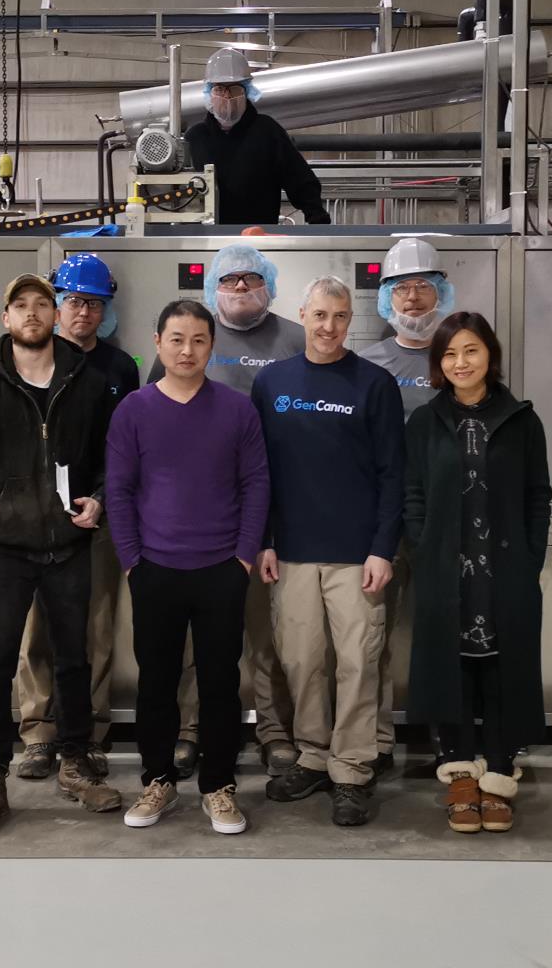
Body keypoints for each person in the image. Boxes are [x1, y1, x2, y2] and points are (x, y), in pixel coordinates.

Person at [0, 272, 121, 837]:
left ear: (56, 316)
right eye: (21, 305)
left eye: (42, 304)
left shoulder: (89, 385)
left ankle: (76, 763)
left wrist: (101, 499)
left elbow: (114, 458)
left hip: (69, 547)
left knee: (74, 661)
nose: (32, 312)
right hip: (4, 552)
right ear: (5, 317)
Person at [106, 300, 270, 834]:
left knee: (220, 682)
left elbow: (256, 484)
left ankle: (219, 786)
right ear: (158, 343)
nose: (187, 350)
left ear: (211, 347)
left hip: (222, 568)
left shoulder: (237, 410)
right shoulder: (133, 410)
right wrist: (132, 562)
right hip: (154, 568)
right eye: (176, 339)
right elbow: (119, 490)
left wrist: (243, 557)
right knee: (156, 682)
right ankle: (157, 781)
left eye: (199, 340)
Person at [251, 275, 405, 827]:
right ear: (303, 315)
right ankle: (314, 756)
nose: (329, 327)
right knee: (302, 661)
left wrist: (383, 548)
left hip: (357, 555)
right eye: (320, 315)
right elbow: (258, 471)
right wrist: (264, 541)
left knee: (358, 663)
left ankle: (352, 768)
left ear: (349, 321)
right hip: (291, 551)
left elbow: (393, 474)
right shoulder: (272, 383)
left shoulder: (374, 384)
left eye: (340, 317)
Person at [147, 243, 304, 778]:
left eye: (250, 278)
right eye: (229, 278)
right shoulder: (188, 340)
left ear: (268, 284)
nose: (240, 287)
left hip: (273, 510)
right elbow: (155, 424)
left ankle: (274, 730)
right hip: (202, 520)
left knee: (264, 631)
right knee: (203, 638)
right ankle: (192, 729)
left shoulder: (294, 340)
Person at [403, 312, 552, 834]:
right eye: (448, 354)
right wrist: (424, 547)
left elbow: (538, 496)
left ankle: (499, 775)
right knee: (452, 667)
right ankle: (461, 775)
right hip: (446, 568)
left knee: (503, 667)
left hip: (505, 569)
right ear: (437, 364)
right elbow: (413, 493)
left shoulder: (521, 421)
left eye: (470, 350)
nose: (460, 362)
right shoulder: (425, 422)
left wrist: (531, 558)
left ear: (490, 354)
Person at [15, 253, 140, 781]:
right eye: (74, 301)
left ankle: (87, 734)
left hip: (101, 515)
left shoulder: (120, 368)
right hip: (37, 520)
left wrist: (103, 498)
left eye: (95, 303)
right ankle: (38, 733)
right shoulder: (29, 358)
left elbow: (127, 446)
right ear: (57, 305)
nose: (84, 312)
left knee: (96, 626)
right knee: (39, 626)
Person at [356, 237, 457, 779]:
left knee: (444, 629)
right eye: (401, 288)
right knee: (373, 635)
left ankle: (448, 735)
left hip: (446, 520)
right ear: (386, 298)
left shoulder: (458, 359)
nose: (412, 298)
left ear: (441, 292)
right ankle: (375, 739)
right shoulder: (368, 365)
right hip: (384, 523)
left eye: (422, 286)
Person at [184, 46, 331, 227]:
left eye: (235, 89)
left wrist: (317, 218)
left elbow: (299, 178)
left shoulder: (267, 131)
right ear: (209, 93)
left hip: (259, 235)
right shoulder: (195, 138)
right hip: (206, 239)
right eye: (220, 89)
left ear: (247, 91)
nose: (227, 96)